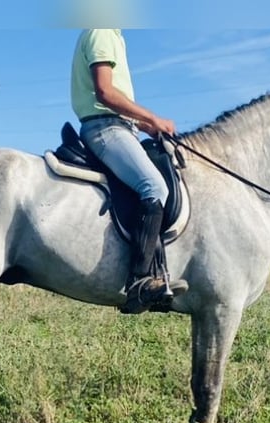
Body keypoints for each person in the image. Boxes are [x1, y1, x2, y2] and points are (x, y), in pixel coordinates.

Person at [71, 28, 180, 313]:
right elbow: (105, 92)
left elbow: (114, 104)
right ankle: (140, 281)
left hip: (118, 126)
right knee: (154, 187)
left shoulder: (112, 34)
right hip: (105, 129)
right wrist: (152, 117)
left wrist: (147, 126)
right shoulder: (102, 30)